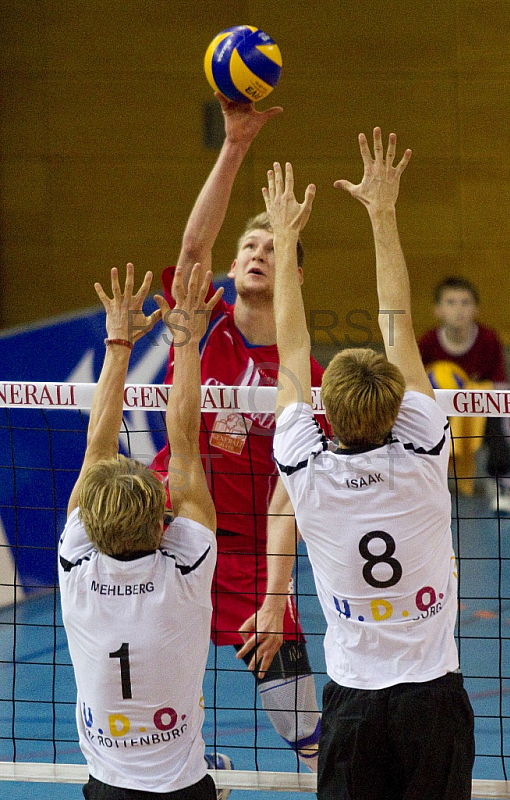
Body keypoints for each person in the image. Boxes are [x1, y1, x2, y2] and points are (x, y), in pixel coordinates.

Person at [249, 131, 475, 799]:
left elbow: (292, 347)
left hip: (352, 704)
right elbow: (398, 326)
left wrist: (287, 242)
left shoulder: (305, 469)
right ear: (396, 406)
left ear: (328, 414)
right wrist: (382, 213)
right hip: (432, 699)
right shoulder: (426, 451)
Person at [150, 93, 324, 771]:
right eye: (248, 244)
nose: (255, 252)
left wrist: (279, 596)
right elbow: (193, 247)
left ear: (295, 276)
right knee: (159, 704)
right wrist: (235, 145)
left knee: (305, 731)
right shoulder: (204, 322)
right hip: (176, 535)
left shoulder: (303, 369)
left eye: (273, 247)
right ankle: (186, 773)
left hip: (258, 559)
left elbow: (296, 495)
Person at [59, 262, 224, 799]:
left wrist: (116, 344)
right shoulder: (188, 564)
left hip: (107, 788)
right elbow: (185, 448)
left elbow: (96, 449)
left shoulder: (75, 563)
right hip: (182, 787)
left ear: (93, 524)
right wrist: (189, 342)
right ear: (162, 525)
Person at [418, 276, 510, 513]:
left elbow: (500, 387)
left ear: (475, 308)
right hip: (441, 414)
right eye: (451, 302)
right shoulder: (428, 342)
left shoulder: (488, 340)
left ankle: (502, 484)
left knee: (499, 424)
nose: (459, 310)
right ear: (438, 310)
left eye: (465, 303)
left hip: (479, 414)